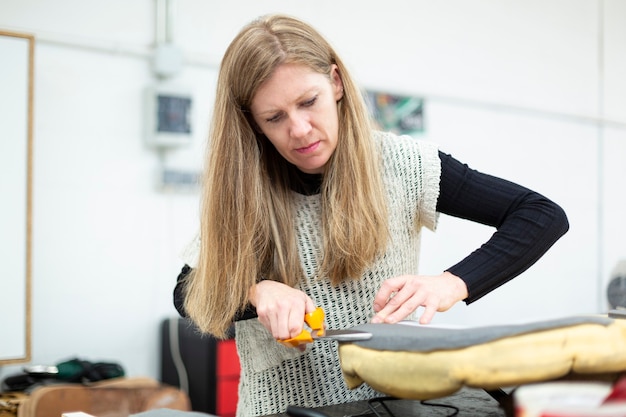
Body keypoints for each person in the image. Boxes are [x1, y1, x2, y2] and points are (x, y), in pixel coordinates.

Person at [173, 14, 569, 416]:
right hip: (279, 409)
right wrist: (256, 292)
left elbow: (540, 214)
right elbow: (186, 291)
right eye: (274, 118)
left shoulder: (404, 164)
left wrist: (452, 283)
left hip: (393, 406)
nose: (300, 129)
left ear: (336, 83)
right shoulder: (243, 189)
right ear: (253, 124)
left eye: (309, 102)